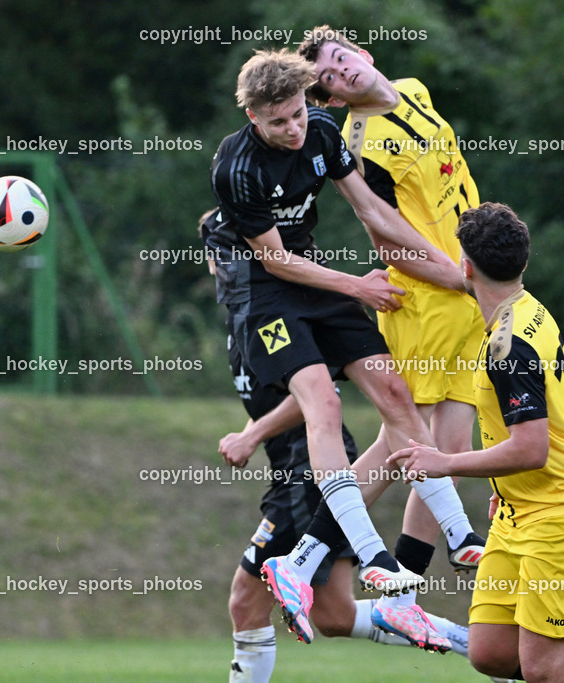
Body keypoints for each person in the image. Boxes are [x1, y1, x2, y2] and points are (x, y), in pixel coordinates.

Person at [208, 49, 483, 645]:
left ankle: (461, 537)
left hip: (317, 279)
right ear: (253, 116)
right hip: (267, 294)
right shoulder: (236, 168)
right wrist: (357, 285)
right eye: (278, 120)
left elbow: (369, 208)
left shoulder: (324, 131)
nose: (293, 127)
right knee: (323, 404)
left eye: (299, 113)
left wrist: (450, 268)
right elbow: (275, 259)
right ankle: (371, 554)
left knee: (393, 392)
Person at [391, 204, 564, 683]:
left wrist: (443, 461)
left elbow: (531, 448)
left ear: (466, 266)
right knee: (490, 653)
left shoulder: (509, 344)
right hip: (521, 512)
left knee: (544, 671)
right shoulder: (526, 310)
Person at [296, 24, 487, 644]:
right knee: (410, 439)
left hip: (466, 294)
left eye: (341, 58)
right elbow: (387, 244)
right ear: (327, 98)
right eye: (327, 76)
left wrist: (475, 275)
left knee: (447, 445)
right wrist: (459, 280)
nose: (341, 72)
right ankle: (310, 557)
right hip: (429, 302)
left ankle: (408, 576)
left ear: (363, 54)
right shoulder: (361, 144)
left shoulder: (412, 88)